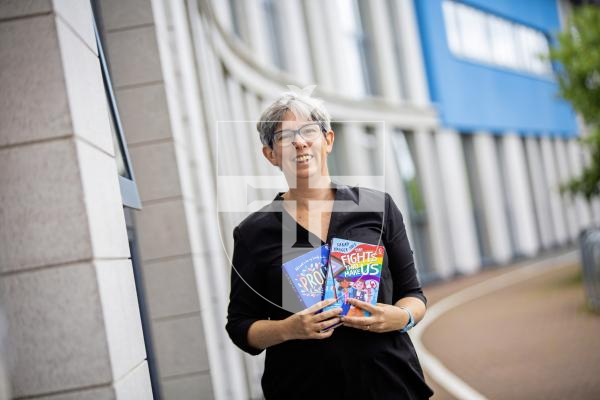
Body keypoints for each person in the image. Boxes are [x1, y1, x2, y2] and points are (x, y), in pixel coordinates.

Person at [225, 92, 434, 399]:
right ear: (270, 154)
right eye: (284, 136)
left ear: (328, 140)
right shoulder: (254, 232)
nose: (300, 143)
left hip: (389, 382)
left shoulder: (377, 207)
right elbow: (240, 327)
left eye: (309, 131)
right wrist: (288, 329)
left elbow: (413, 296)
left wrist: (400, 318)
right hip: (302, 388)